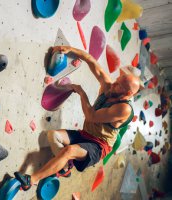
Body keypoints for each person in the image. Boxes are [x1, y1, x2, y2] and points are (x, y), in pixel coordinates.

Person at [14, 46, 141, 191]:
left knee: (68, 151)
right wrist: (70, 49)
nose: (114, 84)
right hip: (85, 134)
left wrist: (81, 92)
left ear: (128, 93)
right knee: (52, 135)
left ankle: (30, 180)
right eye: (117, 80)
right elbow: (91, 61)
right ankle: (65, 168)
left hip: (98, 145)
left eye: (119, 85)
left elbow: (91, 116)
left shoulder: (123, 109)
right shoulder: (109, 86)